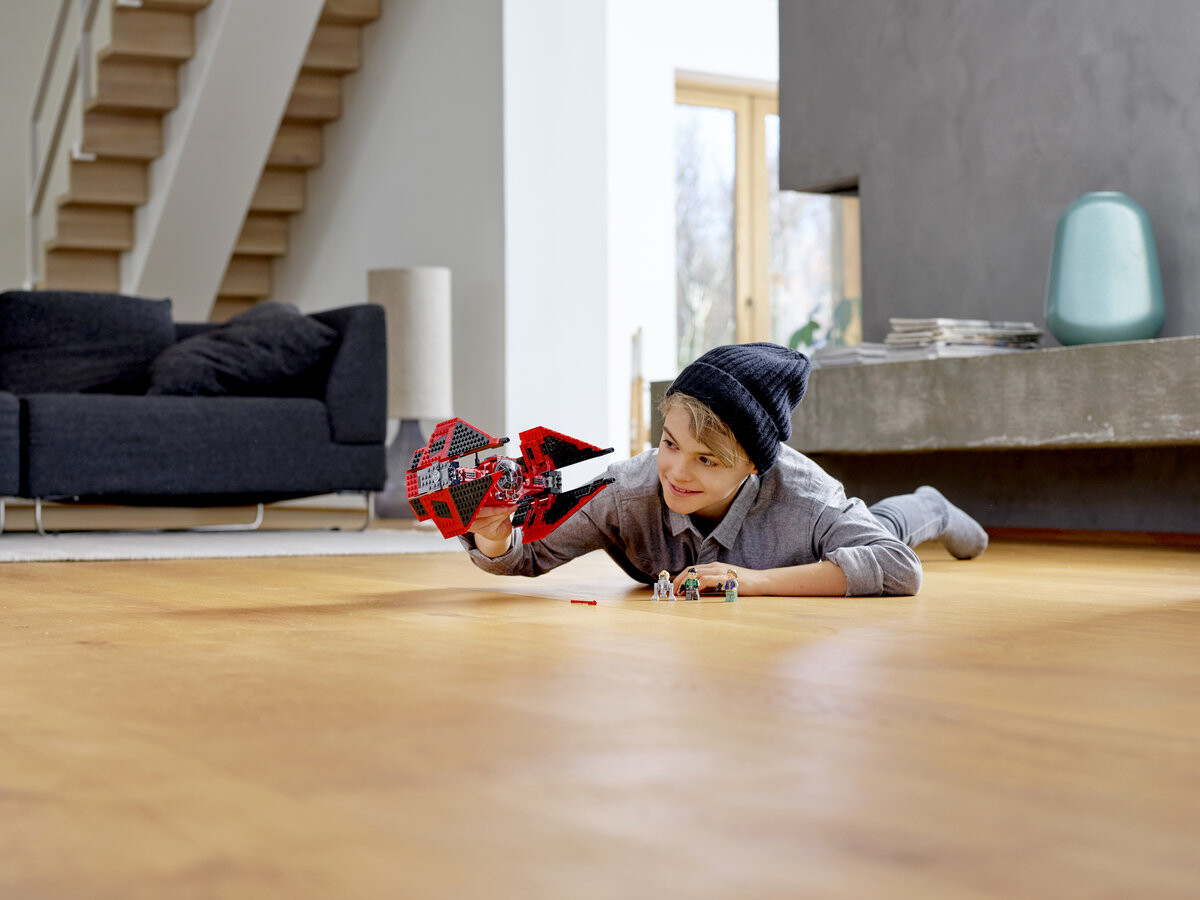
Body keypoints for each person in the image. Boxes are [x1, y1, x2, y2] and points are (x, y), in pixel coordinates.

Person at [463, 343, 988, 597]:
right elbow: (525, 555)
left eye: (707, 460)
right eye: (670, 444)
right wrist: (494, 533)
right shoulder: (628, 491)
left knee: (884, 527)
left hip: (808, 545)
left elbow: (898, 567)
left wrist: (752, 581)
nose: (676, 472)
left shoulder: (808, 500)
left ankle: (932, 505)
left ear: (752, 466)